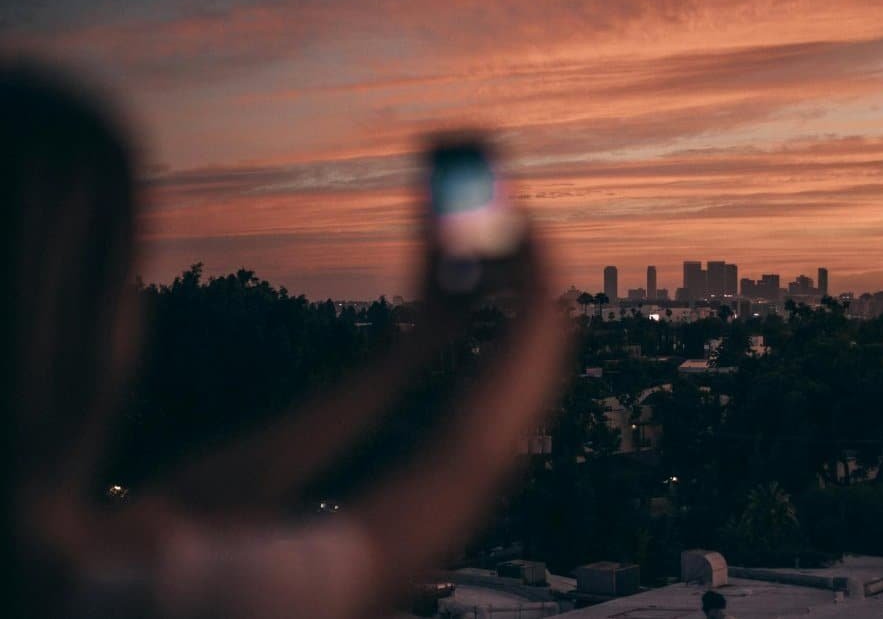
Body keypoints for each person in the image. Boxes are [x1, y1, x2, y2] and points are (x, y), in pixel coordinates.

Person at [1, 62, 571, 618]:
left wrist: (412, 351)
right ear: (77, 326)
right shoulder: (132, 597)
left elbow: (184, 507)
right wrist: (539, 311)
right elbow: (454, 476)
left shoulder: (69, 565)